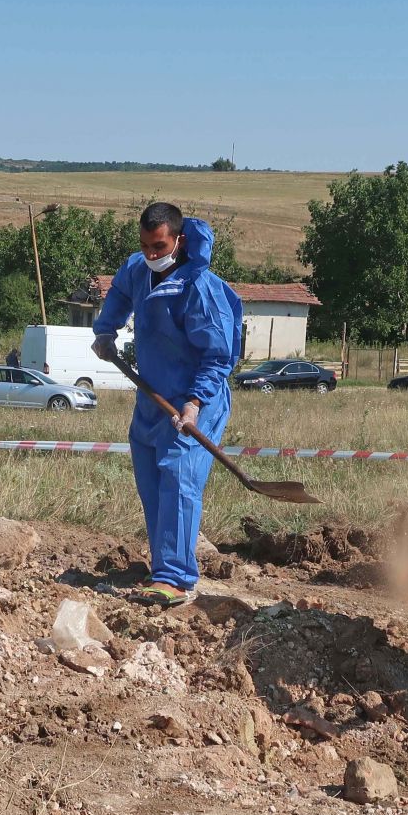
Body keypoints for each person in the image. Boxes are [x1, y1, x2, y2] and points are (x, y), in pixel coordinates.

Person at [91, 203, 243, 607]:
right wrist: (106, 330)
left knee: (178, 479)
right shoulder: (138, 270)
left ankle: (176, 578)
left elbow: (217, 357)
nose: (151, 254)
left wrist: (193, 403)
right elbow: (120, 293)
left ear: (178, 240)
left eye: (159, 246)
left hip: (196, 401)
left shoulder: (200, 289)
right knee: (152, 483)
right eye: (145, 246)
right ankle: (163, 567)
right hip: (151, 398)